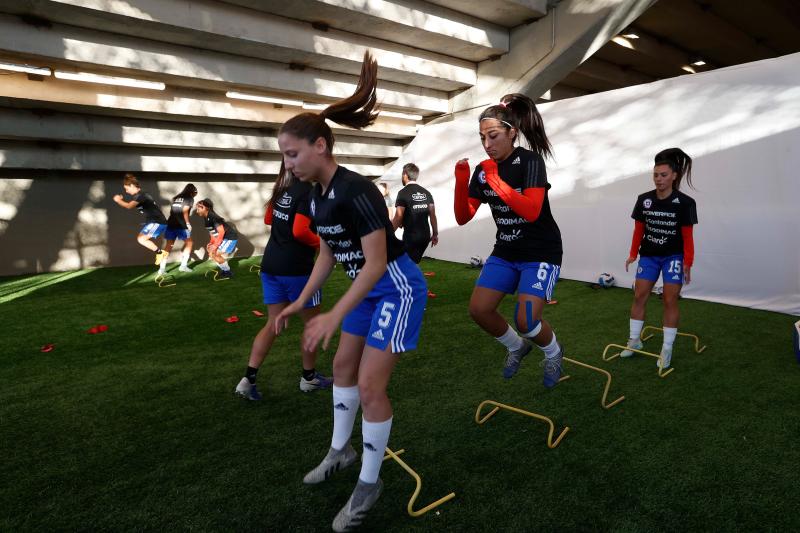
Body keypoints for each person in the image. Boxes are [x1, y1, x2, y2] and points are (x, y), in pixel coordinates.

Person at [273, 51, 427, 532]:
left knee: (369, 385)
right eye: (284, 155)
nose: (288, 163)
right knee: (340, 366)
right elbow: (329, 253)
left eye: (293, 153)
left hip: (396, 290)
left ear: (320, 145)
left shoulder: (358, 190)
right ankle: (340, 451)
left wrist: (334, 313)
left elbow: (378, 261)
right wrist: (301, 302)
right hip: (365, 291)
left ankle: (369, 482)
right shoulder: (316, 196)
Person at [453, 94, 564, 387]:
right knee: (479, 310)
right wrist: (461, 181)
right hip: (506, 250)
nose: (487, 145)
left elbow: (530, 211)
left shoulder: (529, 161)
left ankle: (553, 353)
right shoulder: (483, 171)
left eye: (493, 136)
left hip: (541, 252)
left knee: (527, 320)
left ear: (512, 132)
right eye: (482, 138)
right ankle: (517, 347)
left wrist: (496, 181)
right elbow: (463, 216)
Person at [234, 164, 332, 400]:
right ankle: (309, 378)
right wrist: (322, 242)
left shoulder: (282, 189)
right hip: (296, 270)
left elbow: (269, 218)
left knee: (272, 324)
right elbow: (300, 231)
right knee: (312, 324)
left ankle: (249, 378)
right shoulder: (308, 191)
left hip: (271, 266)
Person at [622, 148, 697, 369]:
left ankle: (667, 348)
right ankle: (635, 341)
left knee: (669, 299)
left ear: (674, 176)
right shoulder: (644, 200)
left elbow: (687, 237)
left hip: (673, 257)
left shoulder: (685, 202)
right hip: (649, 256)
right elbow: (638, 230)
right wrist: (633, 254)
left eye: (664, 175)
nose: (659, 179)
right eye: (656, 175)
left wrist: (688, 263)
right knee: (639, 296)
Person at [112, 173, 169, 266]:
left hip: (158, 222)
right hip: (152, 222)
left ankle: (160, 253)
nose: (126, 192)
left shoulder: (141, 195)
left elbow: (129, 206)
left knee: (142, 239)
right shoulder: (140, 195)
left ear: (132, 185)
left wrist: (118, 200)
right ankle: (160, 253)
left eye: (127, 189)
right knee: (140, 239)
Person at [391, 163, 438, 264]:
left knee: (405, 264)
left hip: (411, 237)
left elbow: (398, 217)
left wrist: (387, 233)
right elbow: (432, 215)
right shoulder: (427, 193)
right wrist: (435, 234)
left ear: (405, 174)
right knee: (412, 263)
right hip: (425, 237)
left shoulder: (403, 193)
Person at [194, 198, 238, 279]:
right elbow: (212, 232)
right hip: (224, 238)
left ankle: (228, 272)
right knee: (211, 253)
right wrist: (211, 242)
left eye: (198, 209)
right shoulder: (206, 218)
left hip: (230, 238)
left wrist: (215, 245)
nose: (197, 211)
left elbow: (221, 232)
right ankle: (225, 271)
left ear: (204, 208)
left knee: (216, 254)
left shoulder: (213, 217)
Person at [159, 183, 197, 275]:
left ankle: (161, 269)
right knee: (189, 243)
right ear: (193, 191)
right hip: (181, 225)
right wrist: (187, 223)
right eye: (195, 192)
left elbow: (172, 211)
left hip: (171, 223)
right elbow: (185, 212)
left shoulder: (176, 198)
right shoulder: (189, 198)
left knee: (168, 245)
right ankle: (183, 266)